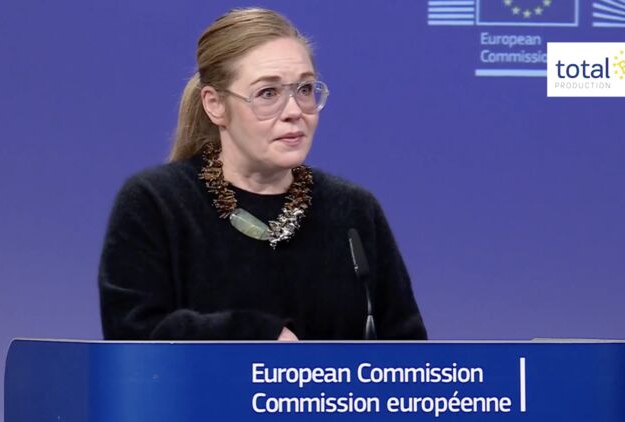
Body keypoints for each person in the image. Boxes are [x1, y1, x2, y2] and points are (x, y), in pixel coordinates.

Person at [98, 7, 427, 341]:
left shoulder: (354, 211)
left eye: (305, 89)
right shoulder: (156, 203)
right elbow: (133, 337)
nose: (294, 111)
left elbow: (410, 352)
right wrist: (259, 337)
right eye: (268, 93)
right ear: (215, 105)